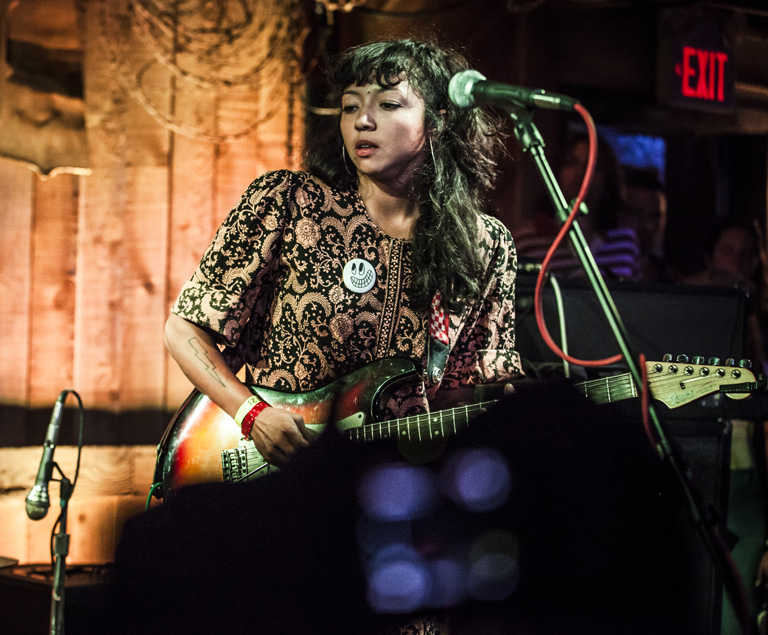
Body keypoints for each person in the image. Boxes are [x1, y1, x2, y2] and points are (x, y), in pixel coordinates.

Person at [158, 37, 524, 632]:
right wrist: (251, 414)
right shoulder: (290, 203)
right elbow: (184, 328)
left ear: (439, 121)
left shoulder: (484, 245)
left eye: (388, 104)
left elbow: (465, 389)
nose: (363, 120)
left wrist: (503, 401)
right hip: (276, 495)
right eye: (352, 105)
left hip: (396, 518)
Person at [684, 217, 768, 635]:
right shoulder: (694, 300)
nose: (738, 262)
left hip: (748, 476)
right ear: (709, 257)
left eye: (748, 254)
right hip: (698, 467)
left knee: (739, 608)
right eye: (728, 252)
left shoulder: (756, 313)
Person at [512, 133, 639, 279]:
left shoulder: (624, 240)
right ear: (557, 173)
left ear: (607, 178)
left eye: (592, 166)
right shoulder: (525, 241)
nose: (580, 172)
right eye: (571, 163)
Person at [619, 166, 676, 283]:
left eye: (656, 216)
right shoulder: (600, 272)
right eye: (636, 213)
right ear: (619, 214)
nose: (648, 225)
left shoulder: (673, 282)